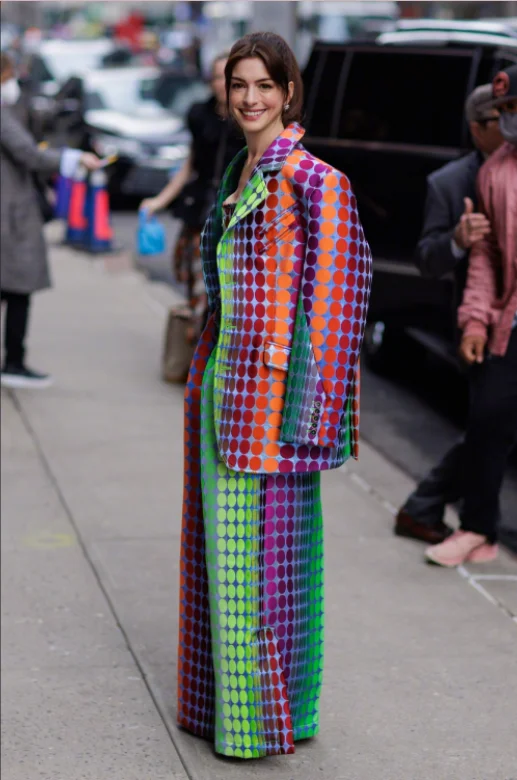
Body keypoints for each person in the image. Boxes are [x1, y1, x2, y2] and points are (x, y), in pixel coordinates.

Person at [177, 32, 372, 759]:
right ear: (226, 93)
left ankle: (256, 727)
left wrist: (309, 420)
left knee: (261, 573)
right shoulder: (239, 166)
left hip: (268, 413)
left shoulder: (314, 180)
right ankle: (217, 708)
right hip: (217, 392)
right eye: (239, 85)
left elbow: (337, 305)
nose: (251, 98)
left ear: (289, 91)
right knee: (219, 567)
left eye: (265, 84)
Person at [394, 84, 504, 545]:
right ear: (478, 129)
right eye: (505, 119)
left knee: (495, 426)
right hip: (477, 322)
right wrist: (458, 240)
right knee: (491, 426)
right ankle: (425, 506)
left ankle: (425, 507)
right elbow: (426, 257)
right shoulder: (451, 182)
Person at [424, 64, 517, 567]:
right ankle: (478, 529)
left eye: (515, 109)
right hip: (508, 324)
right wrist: (475, 322)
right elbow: (485, 258)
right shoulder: (493, 172)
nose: (509, 120)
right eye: (504, 112)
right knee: (487, 421)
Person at [0, 52, 101, 389]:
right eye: (11, 73)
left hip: (11, 212)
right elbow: (29, 153)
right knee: (17, 288)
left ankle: (14, 359)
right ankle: (14, 362)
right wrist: (74, 159)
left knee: (13, 289)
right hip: (10, 216)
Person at [140, 52, 244, 336]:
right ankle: (198, 350)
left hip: (233, 217)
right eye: (216, 77)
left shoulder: (250, 119)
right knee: (188, 274)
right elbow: (191, 163)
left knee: (214, 289)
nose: (222, 85)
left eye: (230, 79)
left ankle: (203, 346)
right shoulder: (200, 113)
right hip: (199, 208)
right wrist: (160, 200)